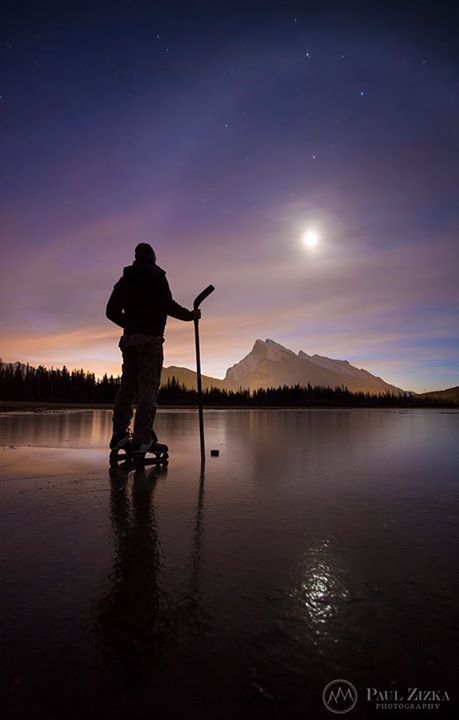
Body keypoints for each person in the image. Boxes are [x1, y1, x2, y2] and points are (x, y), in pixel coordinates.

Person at [106, 243, 200, 456]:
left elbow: (110, 311)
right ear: (152, 258)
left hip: (129, 340)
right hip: (150, 341)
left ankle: (119, 435)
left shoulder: (125, 280)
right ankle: (142, 440)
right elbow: (168, 304)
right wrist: (190, 315)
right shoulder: (156, 276)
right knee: (148, 388)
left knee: (127, 387)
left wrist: (130, 326)